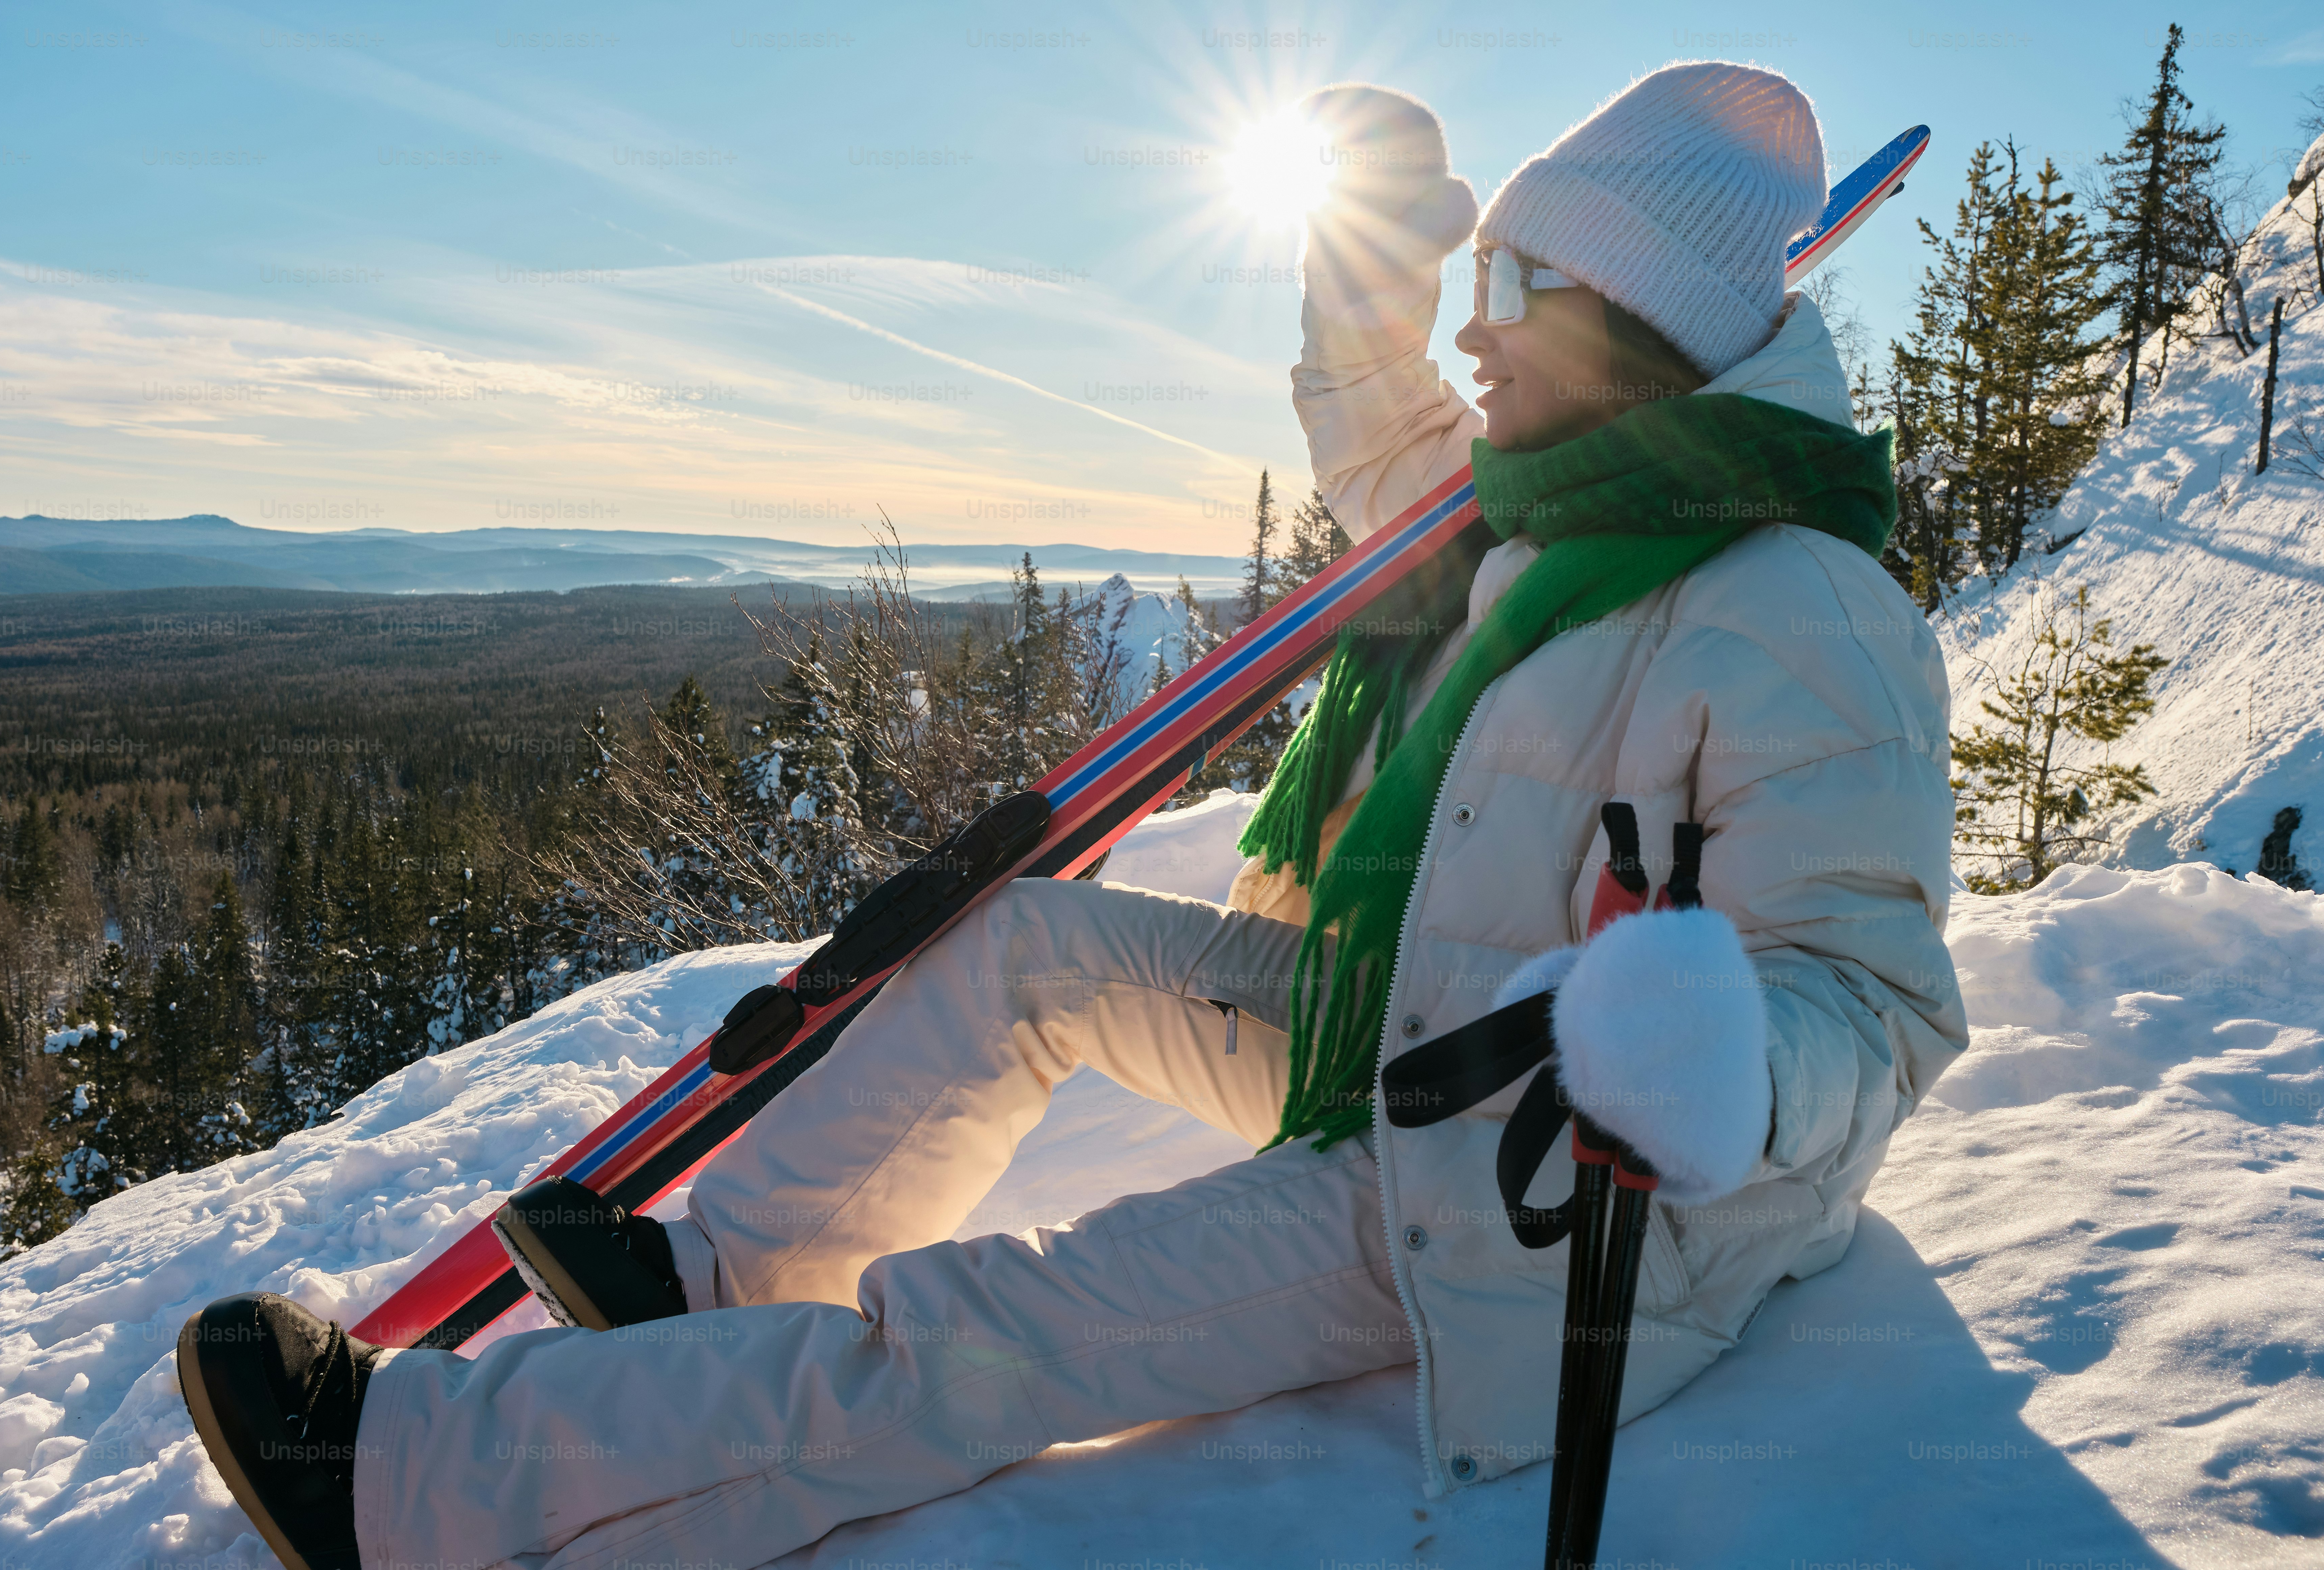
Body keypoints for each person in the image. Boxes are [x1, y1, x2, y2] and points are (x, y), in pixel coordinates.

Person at [178, 62, 1965, 1570]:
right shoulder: (1555, 519)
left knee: (999, 1331)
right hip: (1393, 1035)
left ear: (1628, 316)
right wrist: (1365, 289)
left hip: (1549, 1198)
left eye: (1513, 289)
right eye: (1480, 284)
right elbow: (1388, 464)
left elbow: (1869, 1006)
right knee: (1032, 946)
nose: (1477, 337)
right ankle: (717, 1285)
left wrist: (1701, 1058)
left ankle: (418, 1487)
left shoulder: (1800, 607)